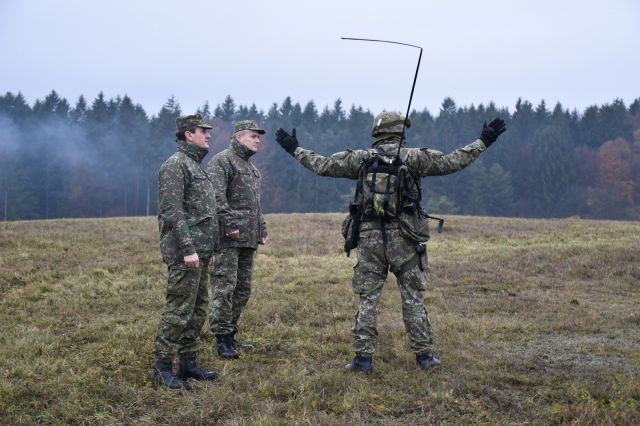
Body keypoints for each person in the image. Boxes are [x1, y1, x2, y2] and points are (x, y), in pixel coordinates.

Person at [275, 112, 506, 373]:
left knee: (369, 299)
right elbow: (454, 161)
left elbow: (322, 165)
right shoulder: (415, 158)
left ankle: (363, 360)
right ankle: (425, 358)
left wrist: (294, 148)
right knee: (412, 298)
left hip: (369, 239)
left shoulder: (361, 159)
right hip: (405, 239)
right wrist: (484, 140)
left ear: (376, 132)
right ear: (401, 132)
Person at [151, 113, 219, 390]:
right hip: (185, 253)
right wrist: (188, 249)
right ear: (188, 135)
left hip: (201, 252)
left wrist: (207, 248)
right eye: (203, 131)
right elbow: (172, 211)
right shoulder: (175, 165)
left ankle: (188, 363)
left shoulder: (195, 165)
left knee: (198, 308)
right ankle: (162, 367)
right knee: (179, 309)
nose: (208, 135)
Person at [207, 120, 268, 359]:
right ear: (239, 137)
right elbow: (216, 197)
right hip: (228, 239)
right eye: (253, 136)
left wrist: (261, 228)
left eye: (258, 137)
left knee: (243, 289)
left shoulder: (252, 168)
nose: (258, 140)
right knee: (225, 288)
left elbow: (255, 204)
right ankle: (222, 338)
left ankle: (231, 334)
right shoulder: (222, 161)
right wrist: (229, 225)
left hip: (248, 238)